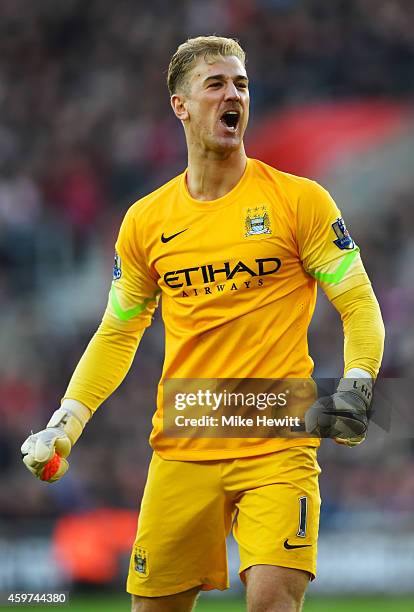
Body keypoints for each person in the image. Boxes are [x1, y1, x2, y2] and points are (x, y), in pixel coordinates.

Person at [21, 36, 385, 612]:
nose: (232, 94)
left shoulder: (300, 201)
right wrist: (66, 422)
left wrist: (360, 382)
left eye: (241, 84)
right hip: (187, 438)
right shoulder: (145, 221)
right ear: (181, 105)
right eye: (215, 84)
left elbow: (358, 301)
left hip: (278, 435)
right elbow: (118, 331)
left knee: (272, 601)